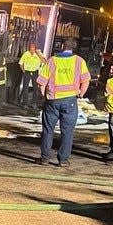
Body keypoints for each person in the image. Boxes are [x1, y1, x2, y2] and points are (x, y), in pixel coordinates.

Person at [36, 37, 91, 167]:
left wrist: (45, 96)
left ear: (62, 47)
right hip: (71, 101)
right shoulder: (79, 61)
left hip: (53, 101)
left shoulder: (52, 61)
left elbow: (41, 83)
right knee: (67, 132)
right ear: (73, 48)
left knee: (48, 130)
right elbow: (86, 81)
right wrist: (80, 94)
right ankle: (63, 160)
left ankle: (44, 158)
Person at [18, 42, 47, 108]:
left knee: (35, 88)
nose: (32, 48)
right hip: (27, 71)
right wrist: (24, 71)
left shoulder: (38, 54)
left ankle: (34, 103)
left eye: (33, 47)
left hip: (35, 72)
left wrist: (39, 54)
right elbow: (20, 63)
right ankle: (25, 103)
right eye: (31, 47)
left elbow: (44, 62)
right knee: (25, 88)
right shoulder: (26, 54)